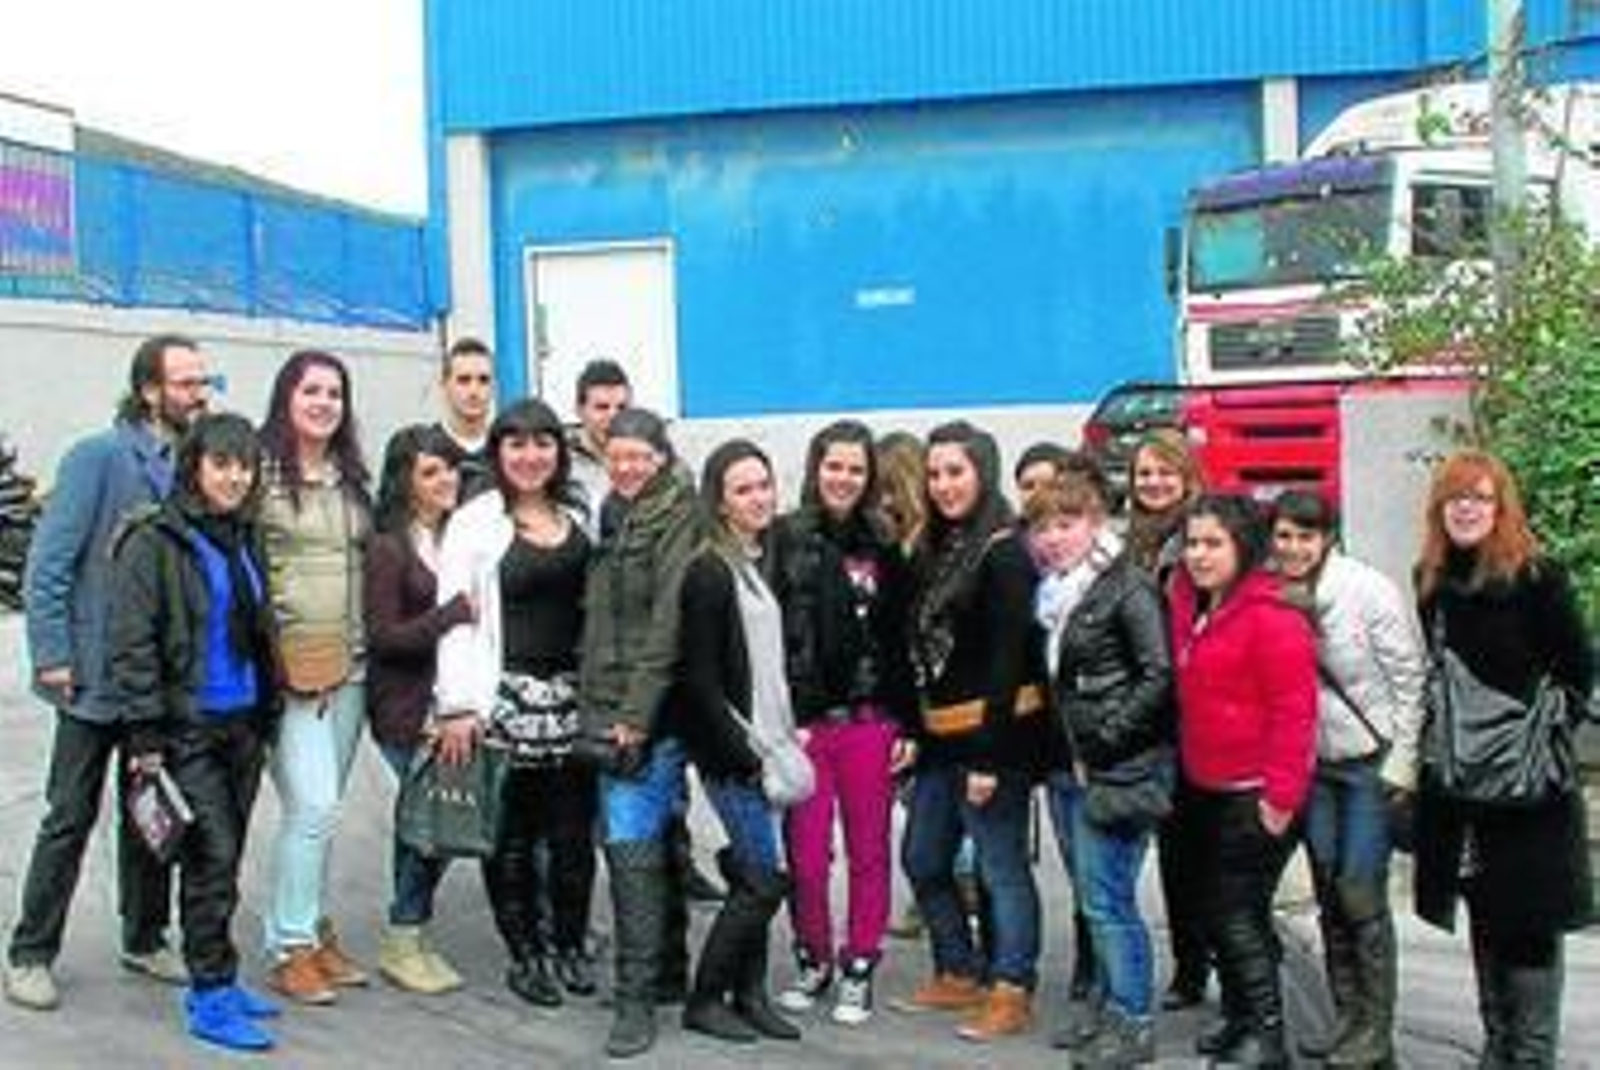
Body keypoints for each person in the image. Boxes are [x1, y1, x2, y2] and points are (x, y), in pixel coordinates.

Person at [4, 333, 209, 1011]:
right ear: (149, 390)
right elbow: (49, 565)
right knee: (69, 816)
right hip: (91, 679)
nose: (198, 395)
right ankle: (31, 952)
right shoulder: (97, 457)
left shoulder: (191, 465)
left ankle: (145, 937)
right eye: (186, 383)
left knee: (149, 813)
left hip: (156, 680)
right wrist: (53, 655)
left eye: (203, 383)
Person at [1409, 449, 1594, 1068]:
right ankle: (1498, 1044)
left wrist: (1535, 737)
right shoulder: (1431, 580)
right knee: (1485, 913)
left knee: (1531, 922)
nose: (1467, 509)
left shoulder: (1538, 577)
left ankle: (1531, 1054)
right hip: (1463, 788)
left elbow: (1577, 669)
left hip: (1529, 788)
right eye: (1455, 498)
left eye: (1480, 498)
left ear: (1501, 508)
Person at [109, 413, 282, 1051]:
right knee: (210, 857)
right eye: (222, 464)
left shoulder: (244, 535)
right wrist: (145, 736)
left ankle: (222, 978)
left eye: (246, 466)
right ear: (194, 468)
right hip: (186, 729)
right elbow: (132, 643)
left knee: (227, 859)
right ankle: (209, 994)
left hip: (243, 724)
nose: (235, 477)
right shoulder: (153, 540)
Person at [434, 399, 598, 1007]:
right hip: (503, 701)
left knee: (574, 836)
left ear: (559, 450)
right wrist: (456, 705)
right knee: (511, 838)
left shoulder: (579, 512)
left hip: (574, 702)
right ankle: (526, 953)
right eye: (517, 444)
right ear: (498, 452)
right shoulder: (474, 522)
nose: (531, 456)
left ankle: (571, 942)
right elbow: (454, 617)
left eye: (543, 443)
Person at [899, 420, 1049, 1042]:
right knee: (923, 857)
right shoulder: (937, 548)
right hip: (940, 739)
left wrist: (989, 755)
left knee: (999, 866)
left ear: (982, 473)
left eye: (955, 472)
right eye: (934, 473)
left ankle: (1012, 987)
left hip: (995, 736)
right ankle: (959, 968)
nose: (943, 485)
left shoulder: (1005, 550)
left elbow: (1010, 657)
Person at [1269, 490, 1427, 1067]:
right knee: (1330, 891)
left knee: (1360, 891)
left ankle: (1376, 1031)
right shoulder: (1269, 593)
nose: (1293, 548)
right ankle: (1346, 1022)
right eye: (1284, 536)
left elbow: (1410, 678)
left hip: (1367, 762)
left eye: (1305, 537)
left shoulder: (1366, 589)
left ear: (1328, 538)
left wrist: (1403, 762)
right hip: (1315, 765)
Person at [770, 420, 918, 1026]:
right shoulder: (784, 537)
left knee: (868, 852)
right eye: (834, 466)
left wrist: (908, 725)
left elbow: (900, 639)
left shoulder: (884, 544)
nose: (844, 478)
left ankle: (860, 962)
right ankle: (814, 957)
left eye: (856, 469)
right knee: (806, 858)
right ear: (816, 468)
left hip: (868, 721)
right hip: (804, 727)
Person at [1028, 471, 1173, 1067]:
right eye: (1043, 527)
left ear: (1094, 523)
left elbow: (1158, 673)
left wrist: (1107, 741)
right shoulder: (1057, 593)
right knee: (1095, 899)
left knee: (1110, 901)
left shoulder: (1126, 586)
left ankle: (1133, 1020)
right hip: (1071, 765)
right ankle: (1112, 1007)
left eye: (1066, 524)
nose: (1053, 538)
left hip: (1116, 768)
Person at [1169, 494, 1317, 1067]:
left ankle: (1268, 1033)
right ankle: (1239, 1018)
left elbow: (1295, 712)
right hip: (1205, 784)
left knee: (1239, 914)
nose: (1199, 555)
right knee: (1216, 911)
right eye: (1192, 543)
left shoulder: (1272, 615)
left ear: (1243, 547)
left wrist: (1280, 798)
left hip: (1256, 792)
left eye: (1213, 544)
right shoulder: (1193, 605)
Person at [577, 407, 701, 1059]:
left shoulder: (678, 516)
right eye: (617, 456)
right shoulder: (616, 512)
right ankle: (670, 971)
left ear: (661, 458)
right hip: (611, 700)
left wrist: (636, 714)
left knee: (627, 842)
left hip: (648, 710)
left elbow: (668, 623)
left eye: (639, 457)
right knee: (659, 835)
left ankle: (635, 1000)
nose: (626, 467)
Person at [674, 439, 804, 1045]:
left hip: (767, 743)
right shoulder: (709, 570)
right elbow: (699, 680)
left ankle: (750, 996)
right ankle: (706, 998)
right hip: (736, 755)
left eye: (764, 485)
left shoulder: (755, 559)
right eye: (743, 489)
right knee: (760, 882)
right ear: (720, 502)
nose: (758, 498)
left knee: (758, 874)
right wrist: (744, 755)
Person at [257, 349, 373, 1005]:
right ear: (286, 397)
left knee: (323, 814)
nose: (325, 402)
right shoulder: (261, 476)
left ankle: (313, 927)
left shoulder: (350, 477)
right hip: (294, 673)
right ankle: (290, 946)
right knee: (314, 806)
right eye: (312, 391)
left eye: (335, 392)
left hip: (352, 667)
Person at [364, 425, 475, 995]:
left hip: (451, 706)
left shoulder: (456, 535)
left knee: (444, 824)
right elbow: (385, 636)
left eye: (450, 468)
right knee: (423, 825)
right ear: (404, 481)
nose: (445, 480)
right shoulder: (389, 547)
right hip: (405, 710)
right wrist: (451, 613)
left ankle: (411, 930)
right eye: (430, 472)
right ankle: (403, 936)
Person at [1124, 428, 1213, 1011]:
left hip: (1197, 709)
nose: (1154, 483)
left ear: (1187, 477)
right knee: (1177, 851)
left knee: (1208, 852)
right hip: (1153, 715)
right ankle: (1189, 967)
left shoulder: (1201, 537)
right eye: (1144, 473)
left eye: (1165, 472)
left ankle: (1222, 965)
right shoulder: (1128, 540)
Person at [1013, 440, 1102, 1009]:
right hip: (1051, 745)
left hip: (1094, 750)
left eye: (1049, 487)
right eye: (1029, 491)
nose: (1040, 502)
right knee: (1078, 866)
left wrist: (1106, 738)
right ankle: (1095, 974)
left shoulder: (1103, 579)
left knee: (1100, 880)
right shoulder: (1035, 576)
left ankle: (1110, 991)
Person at [568, 358, 632, 529]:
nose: (613, 416)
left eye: (621, 408)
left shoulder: (647, 460)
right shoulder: (560, 463)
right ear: (579, 410)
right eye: (602, 407)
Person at [434, 337, 496, 502]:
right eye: (464, 380)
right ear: (444, 386)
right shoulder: (423, 450)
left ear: (494, 386)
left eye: (483, 380)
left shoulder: (507, 452)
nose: (474, 391)